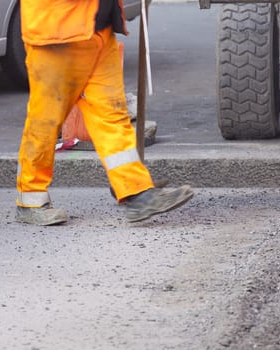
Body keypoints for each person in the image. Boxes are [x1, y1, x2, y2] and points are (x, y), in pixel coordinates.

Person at [15, 0, 194, 225]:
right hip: (58, 35)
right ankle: (30, 200)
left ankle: (136, 192)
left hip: (97, 33)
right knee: (46, 122)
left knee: (113, 115)